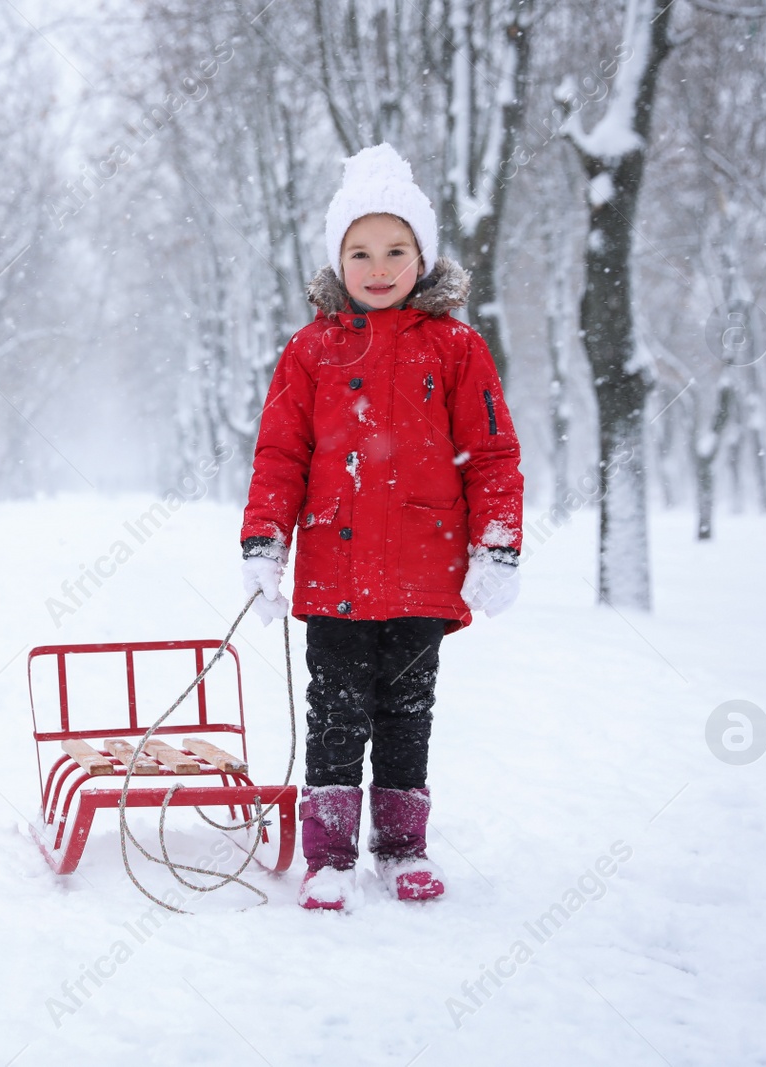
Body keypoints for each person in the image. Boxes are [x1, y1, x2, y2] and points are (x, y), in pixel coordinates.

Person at [239, 143, 523, 911]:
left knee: (405, 714)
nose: (378, 266)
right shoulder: (310, 351)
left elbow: (493, 452)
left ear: (422, 258)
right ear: (339, 259)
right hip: (334, 571)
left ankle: (401, 848)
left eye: (396, 249)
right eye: (360, 251)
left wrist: (496, 544)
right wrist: (265, 543)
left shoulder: (457, 348)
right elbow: (280, 455)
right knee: (335, 714)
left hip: (423, 574)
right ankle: (328, 856)